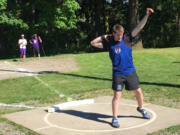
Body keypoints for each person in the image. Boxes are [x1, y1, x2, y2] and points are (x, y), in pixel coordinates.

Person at [90, 8, 154, 128]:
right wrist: (104, 36)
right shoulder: (109, 43)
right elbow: (93, 43)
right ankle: (115, 118)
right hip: (118, 74)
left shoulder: (127, 38)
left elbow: (139, 27)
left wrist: (146, 15)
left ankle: (141, 108)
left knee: (138, 92)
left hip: (130, 71)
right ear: (113, 34)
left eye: (121, 34)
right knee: (117, 96)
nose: (120, 37)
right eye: (118, 35)